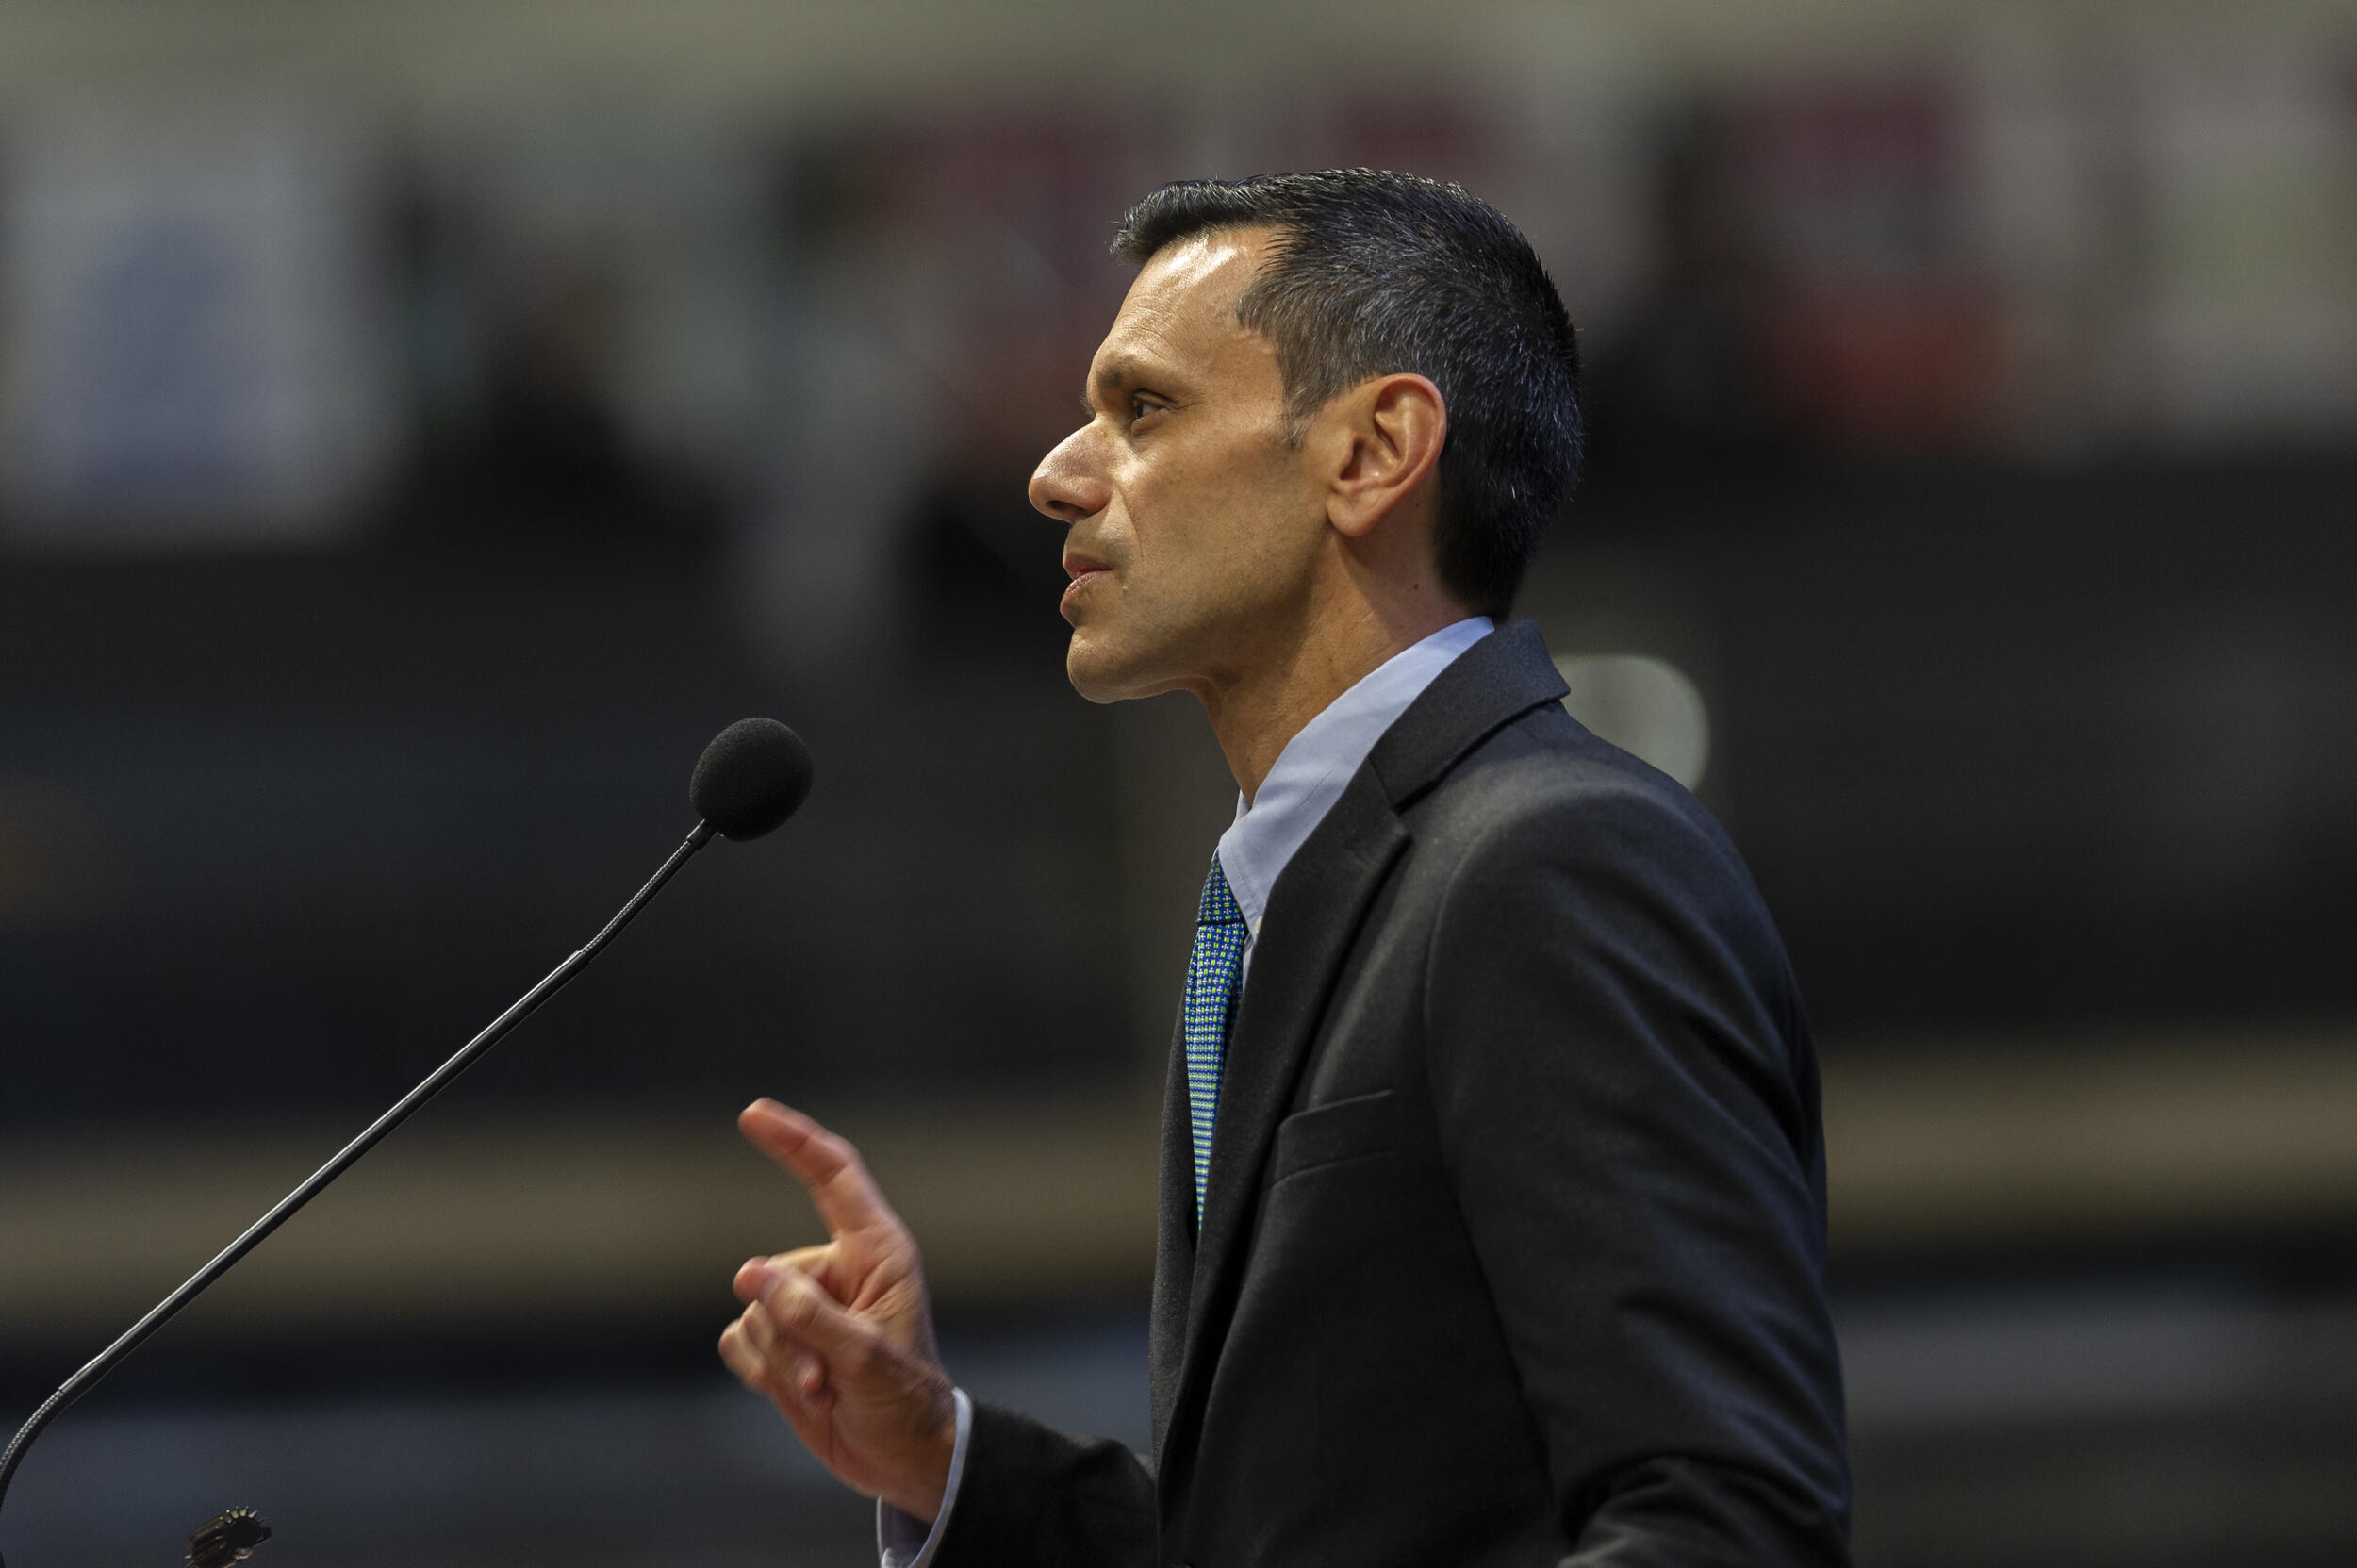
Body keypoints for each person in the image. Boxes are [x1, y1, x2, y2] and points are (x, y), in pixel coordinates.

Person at [718, 170, 1853, 1567]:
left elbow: (1725, 1528)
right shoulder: (1313, 887)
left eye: (1144, 410)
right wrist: (945, 1462)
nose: (1056, 471)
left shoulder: (1550, 864)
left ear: (1376, 449)